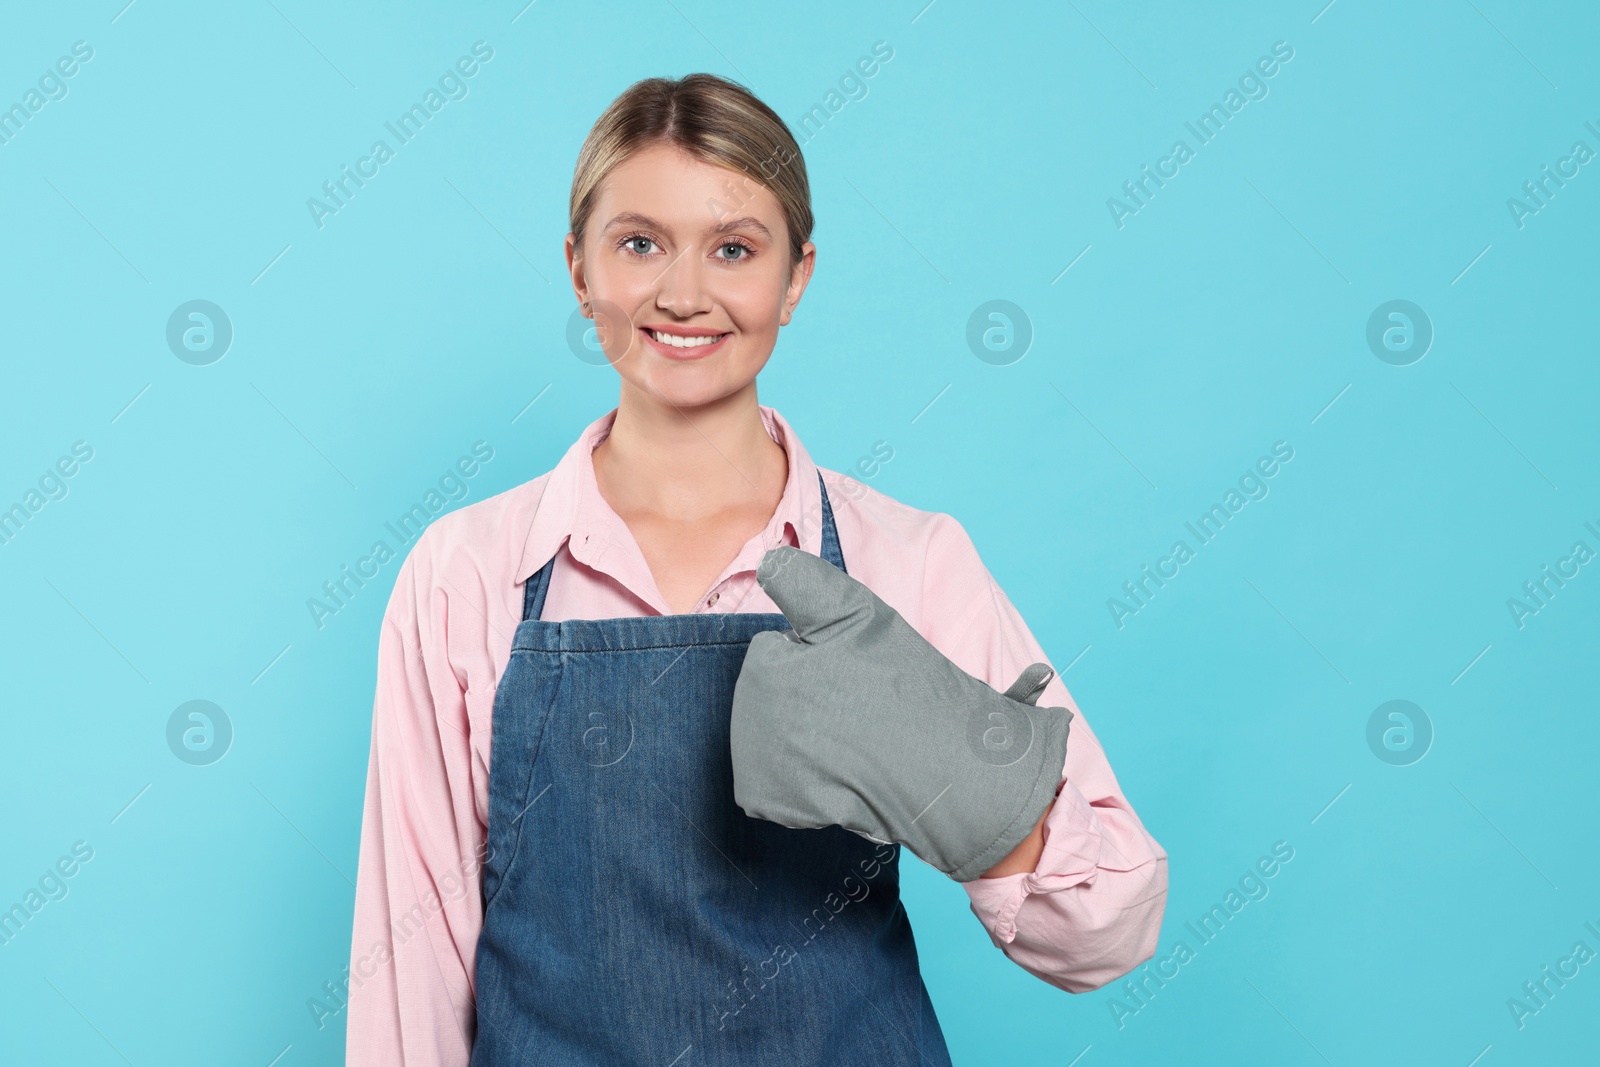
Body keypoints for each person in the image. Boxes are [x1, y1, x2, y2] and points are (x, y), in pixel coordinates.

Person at [346, 72, 1168, 1066]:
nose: (684, 292)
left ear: (796, 276)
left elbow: (1113, 925)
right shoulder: (467, 572)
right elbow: (410, 964)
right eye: (639, 241)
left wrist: (964, 782)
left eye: (733, 248)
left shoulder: (903, 558)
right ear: (578, 268)